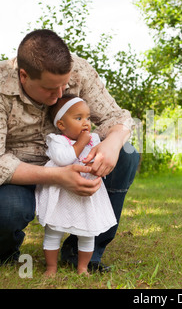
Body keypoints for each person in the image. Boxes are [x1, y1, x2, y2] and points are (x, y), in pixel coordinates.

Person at [0, 29, 140, 272]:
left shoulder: (79, 70)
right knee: (8, 210)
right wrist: (58, 175)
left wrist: (112, 144)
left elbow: (118, 117)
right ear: (24, 76)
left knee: (128, 154)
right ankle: (4, 250)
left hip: (74, 161)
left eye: (64, 86)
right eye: (50, 89)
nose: (60, 94)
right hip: (19, 169)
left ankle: (84, 252)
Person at [36, 94, 117, 276]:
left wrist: (95, 162)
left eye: (87, 118)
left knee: (88, 233)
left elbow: (98, 157)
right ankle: (51, 267)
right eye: (78, 118)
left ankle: (82, 267)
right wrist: (81, 143)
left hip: (86, 195)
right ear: (62, 125)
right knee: (53, 231)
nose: (86, 122)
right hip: (61, 195)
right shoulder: (57, 141)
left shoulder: (94, 140)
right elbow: (63, 159)